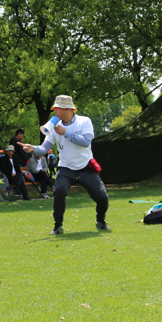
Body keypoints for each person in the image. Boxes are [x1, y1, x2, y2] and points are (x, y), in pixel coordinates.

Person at [22, 95, 109, 235]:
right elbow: (44, 148)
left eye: (56, 109)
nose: (54, 112)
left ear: (68, 109)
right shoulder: (54, 127)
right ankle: (58, 226)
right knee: (60, 191)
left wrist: (66, 132)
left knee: (102, 198)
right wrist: (33, 148)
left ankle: (101, 221)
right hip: (66, 168)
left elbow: (86, 142)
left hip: (86, 167)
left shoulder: (84, 121)